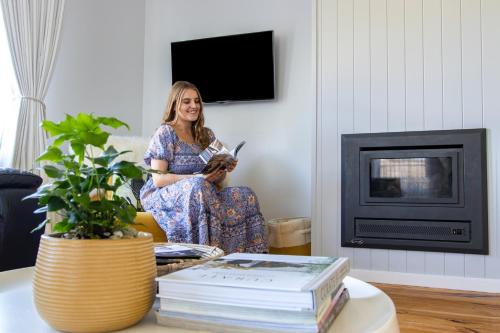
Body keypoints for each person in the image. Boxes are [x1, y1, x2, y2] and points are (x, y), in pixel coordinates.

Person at [140, 81, 268, 254]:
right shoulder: (165, 133)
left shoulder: (206, 134)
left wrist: (223, 168)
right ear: (175, 104)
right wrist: (198, 179)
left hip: (202, 190)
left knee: (246, 194)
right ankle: (204, 256)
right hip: (164, 193)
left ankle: (250, 259)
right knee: (198, 186)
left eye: (197, 101)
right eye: (186, 102)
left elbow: (215, 178)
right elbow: (159, 179)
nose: (194, 106)